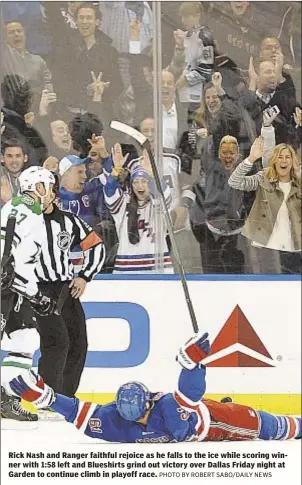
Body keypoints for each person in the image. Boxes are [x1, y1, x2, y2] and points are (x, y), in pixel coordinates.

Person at [9, 331, 301, 441]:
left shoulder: (128, 420)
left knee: (267, 426)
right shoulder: (123, 420)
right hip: (198, 420)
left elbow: (189, 395)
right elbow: (80, 412)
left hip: (214, 423)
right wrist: (191, 364)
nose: (143, 419)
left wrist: (192, 365)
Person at [1, 166, 59, 426]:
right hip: (6, 289)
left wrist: (35, 295)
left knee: (25, 339)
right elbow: (6, 234)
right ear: (37, 187)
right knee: (24, 338)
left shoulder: (33, 212)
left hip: (17, 289)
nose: (50, 192)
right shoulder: (22, 206)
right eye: (47, 186)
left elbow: (24, 262)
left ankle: (6, 397)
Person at [228, 137, 301, 274]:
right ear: (274, 160)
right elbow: (234, 182)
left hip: (295, 243)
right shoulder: (264, 177)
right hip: (268, 243)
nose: (284, 161)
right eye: (280, 157)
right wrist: (250, 159)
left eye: (287, 157)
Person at [104, 147, 173, 273]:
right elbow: (109, 192)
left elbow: (164, 194)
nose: (140, 186)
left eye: (144, 181)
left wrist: (152, 174)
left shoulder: (157, 204)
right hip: (126, 269)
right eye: (135, 182)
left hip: (157, 270)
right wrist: (116, 170)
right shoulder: (123, 204)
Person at [0, 138, 28, 206]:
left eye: (18, 156)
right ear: (2, 158)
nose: (14, 160)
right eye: (9, 156)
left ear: (25, 158)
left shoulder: (31, 179)